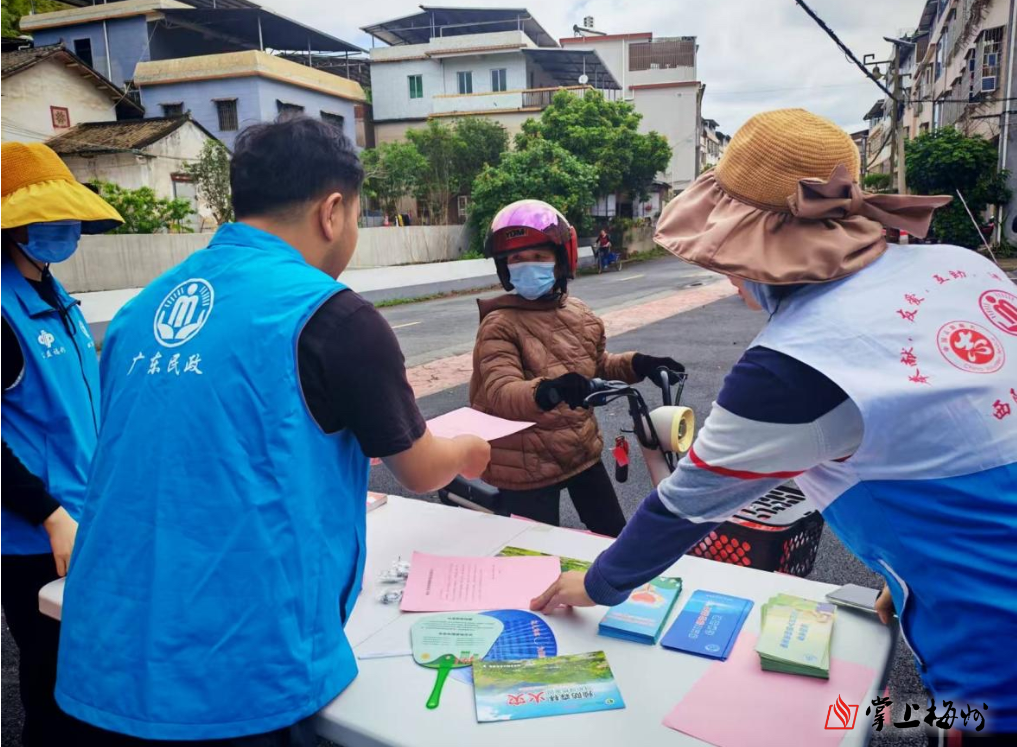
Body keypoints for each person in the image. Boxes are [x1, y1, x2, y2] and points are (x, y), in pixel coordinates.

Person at [531, 109, 1017, 740]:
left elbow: (682, 509)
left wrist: (597, 584)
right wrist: (908, 578)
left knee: (951, 724)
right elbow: (944, 436)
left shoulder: (796, 364)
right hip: (962, 589)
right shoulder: (963, 267)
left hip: (993, 654)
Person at [55, 116, 490, 745]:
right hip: (235, 673)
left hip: (104, 650)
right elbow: (420, 468)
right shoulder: (333, 316)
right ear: (332, 212)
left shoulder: (138, 310)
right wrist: (470, 449)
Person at [1, 142, 124, 747]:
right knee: (51, 682)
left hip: (83, 519)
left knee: (89, 672)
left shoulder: (53, 295)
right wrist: (49, 515)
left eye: (68, 215)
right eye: (47, 217)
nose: (64, 228)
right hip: (35, 536)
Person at [470, 199, 682, 537]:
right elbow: (501, 391)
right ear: (504, 268)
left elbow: (597, 365)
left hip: (580, 451)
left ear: (560, 260)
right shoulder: (499, 325)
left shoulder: (579, 313)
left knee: (614, 537)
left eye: (538, 256)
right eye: (517, 259)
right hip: (526, 465)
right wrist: (549, 390)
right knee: (536, 554)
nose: (527, 265)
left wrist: (640, 364)